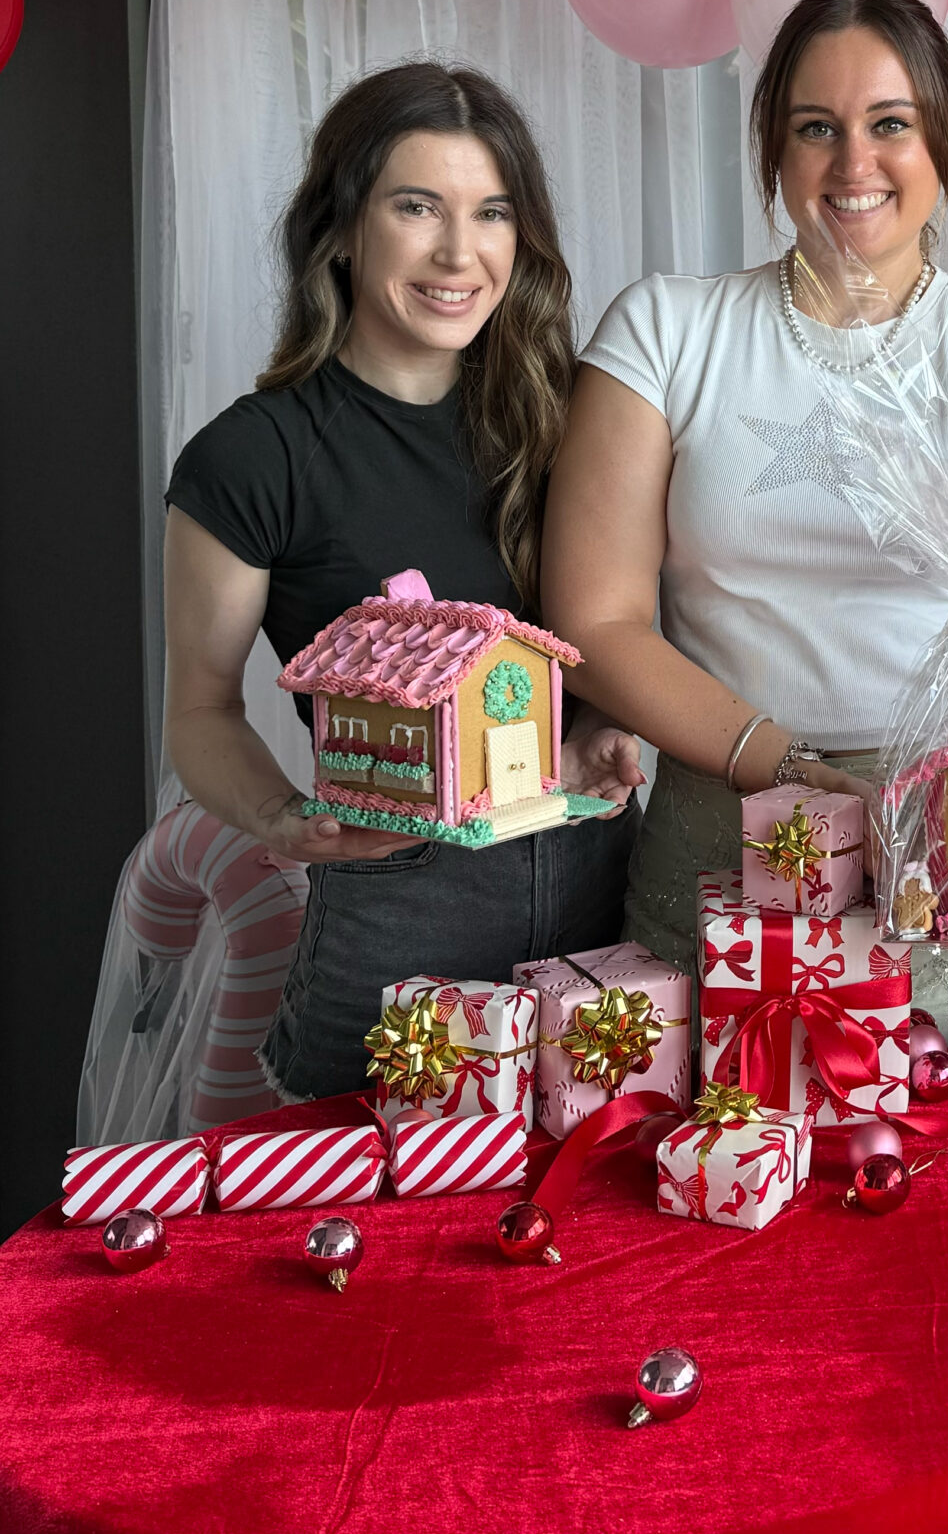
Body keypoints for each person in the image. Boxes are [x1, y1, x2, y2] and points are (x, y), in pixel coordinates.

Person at [543, 0, 948, 1044]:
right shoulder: (666, 331)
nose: (854, 164)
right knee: (721, 1170)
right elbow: (595, 617)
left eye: (890, 124)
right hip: (723, 843)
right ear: (772, 144)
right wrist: (785, 767)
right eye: (817, 127)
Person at [161, 63, 644, 1104]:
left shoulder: (569, 422)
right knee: (384, 1243)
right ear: (341, 229)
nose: (458, 253)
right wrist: (280, 815)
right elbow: (197, 712)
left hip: (600, 899)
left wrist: (602, 722)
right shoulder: (252, 459)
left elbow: (609, 633)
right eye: (417, 207)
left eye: (491, 213)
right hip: (393, 917)